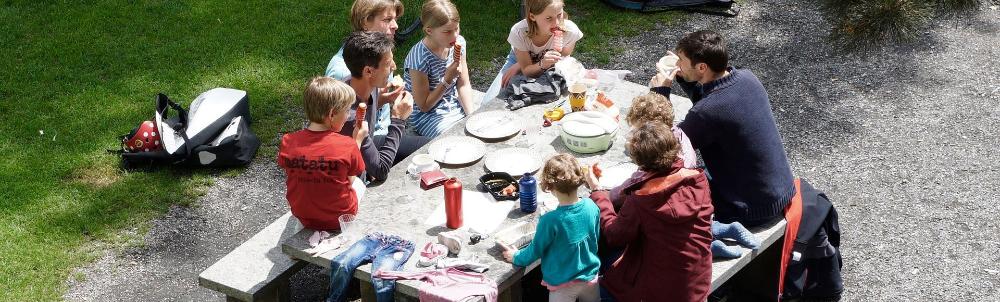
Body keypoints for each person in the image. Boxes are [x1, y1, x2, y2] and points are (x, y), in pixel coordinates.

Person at [650, 30, 796, 228]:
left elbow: (664, 145)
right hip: (780, 190)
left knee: (662, 195)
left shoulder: (706, 113)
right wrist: (684, 75)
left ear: (702, 67)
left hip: (751, 209)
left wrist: (660, 94)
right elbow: (712, 99)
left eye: (681, 61)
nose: (677, 65)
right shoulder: (747, 78)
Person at [587, 122, 713, 302]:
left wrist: (597, 191)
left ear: (640, 161)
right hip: (697, 285)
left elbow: (614, 235)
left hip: (662, 293)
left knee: (598, 275)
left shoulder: (642, 199)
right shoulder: (697, 179)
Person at [623, 93, 759, 258]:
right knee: (699, 223)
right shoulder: (680, 135)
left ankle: (711, 247)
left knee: (665, 228)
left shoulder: (660, 156)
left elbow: (640, 181)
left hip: (676, 210)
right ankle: (727, 229)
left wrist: (610, 194)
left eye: (639, 131)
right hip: (696, 205)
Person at [501, 154, 601, 302]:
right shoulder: (592, 206)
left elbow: (535, 250)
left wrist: (516, 256)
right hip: (590, 277)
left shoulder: (550, 220)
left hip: (563, 285)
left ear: (550, 188)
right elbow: (594, 237)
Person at [340, 31, 431, 183]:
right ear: (368, 71)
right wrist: (398, 120)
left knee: (430, 146)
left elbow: (368, 108)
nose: (394, 66)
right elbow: (380, 170)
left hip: (368, 141)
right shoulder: (349, 118)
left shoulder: (358, 82)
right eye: (388, 64)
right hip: (352, 176)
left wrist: (383, 99)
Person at [278, 77, 367, 231]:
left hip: (302, 215)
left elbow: (293, 173)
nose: (348, 116)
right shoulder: (347, 145)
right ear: (332, 114)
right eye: (346, 110)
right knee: (359, 183)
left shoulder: (288, 141)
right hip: (339, 219)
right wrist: (357, 141)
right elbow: (350, 180)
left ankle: (304, 226)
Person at [327, 0, 406, 137]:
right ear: (365, 22)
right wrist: (398, 120)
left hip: (383, 132)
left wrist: (383, 99)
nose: (395, 26)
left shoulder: (382, 54)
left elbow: (365, 107)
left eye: (395, 19)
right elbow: (339, 128)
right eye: (387, 20)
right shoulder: (344, 72)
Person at [481, 0, 583, 103]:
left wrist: (546, 62)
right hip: (520, 59)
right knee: (489, 101)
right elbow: (527, 70)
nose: (556, 23)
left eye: (559, 15)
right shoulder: (519, 32)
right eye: (548, 18)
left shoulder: (570, 31)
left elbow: (564, 56)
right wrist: (521, 65)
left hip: (550, 64)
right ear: (532, 16)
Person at [403, 0, 476, 137]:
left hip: (453, 103)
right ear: (429, 31)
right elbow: (424, 106)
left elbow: (463, 84)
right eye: (447, 31)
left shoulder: (459, 43)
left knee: (479, 129)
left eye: (456, 28)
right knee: (453, 140)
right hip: (427, 116)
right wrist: (447, 79)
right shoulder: (419, 59)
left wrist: (471, 115)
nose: (454, 36)